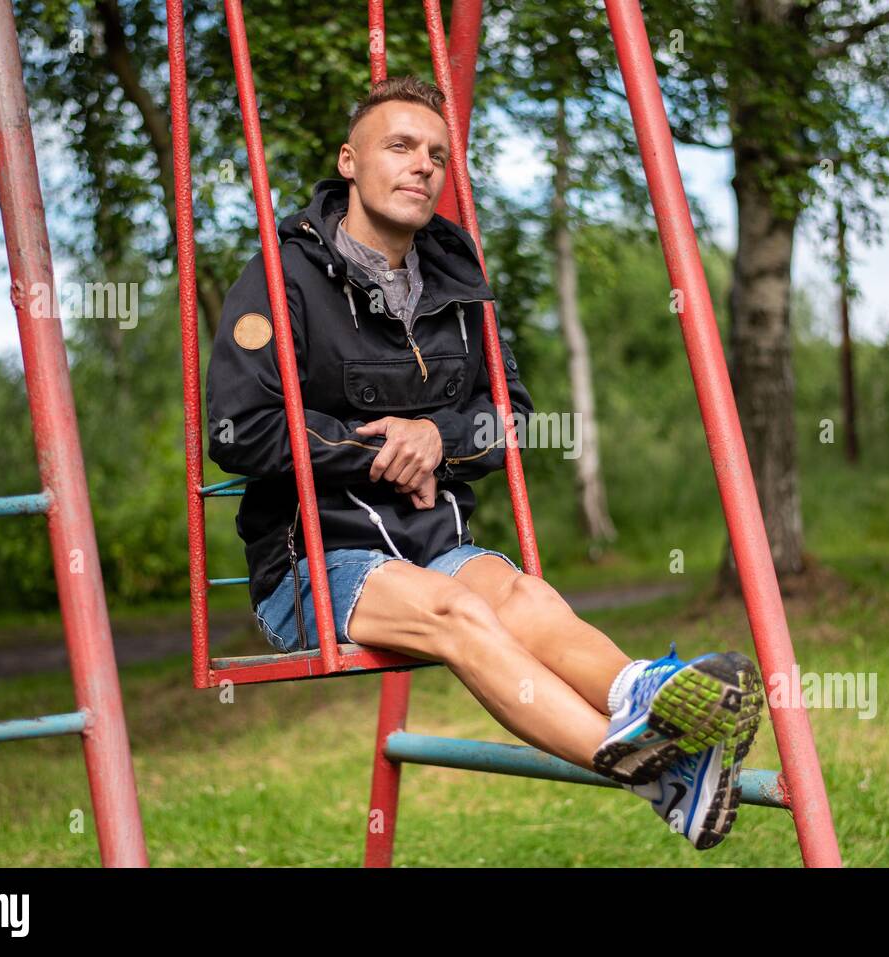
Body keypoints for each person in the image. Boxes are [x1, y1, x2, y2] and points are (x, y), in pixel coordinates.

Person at [206, 75, 763, 850]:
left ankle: (641, 691)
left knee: (523, 593)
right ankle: (654, 769)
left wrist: (436, 435)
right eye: (399, 146)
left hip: (434, 542)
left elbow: (513, 419)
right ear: (349, 161)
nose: (422, 165)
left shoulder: (458, 281)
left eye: (437, 153)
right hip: (315, 560)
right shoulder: (284, 272)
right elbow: (237, 430)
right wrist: (377, 447)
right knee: (459, 612)